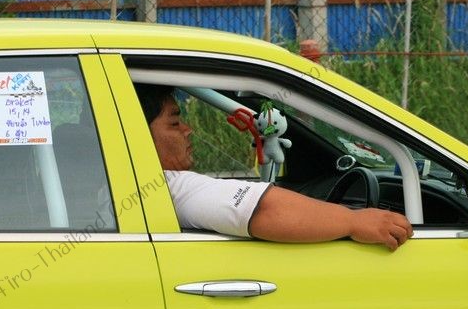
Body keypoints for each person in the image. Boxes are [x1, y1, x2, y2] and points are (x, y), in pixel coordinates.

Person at [136, 84, 413, 251]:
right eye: (174, 123)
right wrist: (356, 221)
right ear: (136, 133)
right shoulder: (166, 187)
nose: (188, 130)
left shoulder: (125, 186)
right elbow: (265, 209)